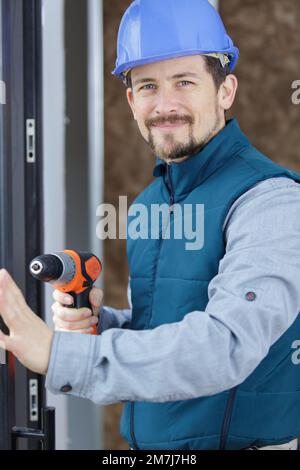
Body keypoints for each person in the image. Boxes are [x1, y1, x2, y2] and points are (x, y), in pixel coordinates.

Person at [1, 0, 300, 451]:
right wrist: (104, 327)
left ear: (225, 90)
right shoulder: (147, 204)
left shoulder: (270, 201)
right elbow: (165, 326)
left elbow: (226, 345)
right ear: (131, 100)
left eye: (184, 82)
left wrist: (60, 356)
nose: (165, 105)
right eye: (147, 87)